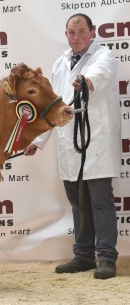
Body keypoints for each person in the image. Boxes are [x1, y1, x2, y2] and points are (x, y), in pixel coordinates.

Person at [24, 13, 121, 279]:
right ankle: (83, 256)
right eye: (71, 32)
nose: (76, 37)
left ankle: (107, 258)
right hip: (70, 143)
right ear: (65, 34)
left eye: (81, 32)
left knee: (101, 202)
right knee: (78, 202)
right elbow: (53, 107)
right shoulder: (60, 62)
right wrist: (38, 140)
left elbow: (97, 77)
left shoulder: (105, 55)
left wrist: (84, 83)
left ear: (92, 32)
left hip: (96, 141)